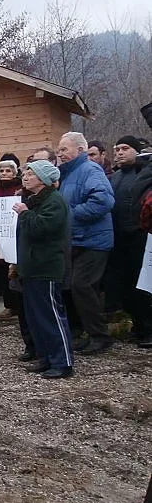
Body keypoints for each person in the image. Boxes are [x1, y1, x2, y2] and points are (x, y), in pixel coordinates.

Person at [12, 160, 74, 378]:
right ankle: (46, 357)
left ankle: (63, 361)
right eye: (26, 173)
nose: (25, 177)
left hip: (46, 268)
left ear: (43, 179)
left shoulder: (54, 202)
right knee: (36, 318)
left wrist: (24, 213)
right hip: (32, 268)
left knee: (51, 316)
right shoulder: (36, 201)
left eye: (31, 173)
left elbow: (42, 229)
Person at [56, 131, 115, 354]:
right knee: (76, 287)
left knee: (83, 285)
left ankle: (101, 336)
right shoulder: (68, 174)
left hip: (94, 241)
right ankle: (89, 333)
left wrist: (69, 215)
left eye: (64, 149)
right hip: (77, 239)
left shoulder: (90, 170)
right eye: (59, 150)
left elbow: (103, 201)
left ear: (80, 150)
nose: (60, 154)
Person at [109, 135, 152, 347]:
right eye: (117, 149)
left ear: (137, 150)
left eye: (125, 148)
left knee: (144, 286)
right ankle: (138, 325)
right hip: (119, 239)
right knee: (127, 286)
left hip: (141, 236)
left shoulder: (145, 173)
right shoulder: (115, 177)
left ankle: (149, 329)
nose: (119, 152)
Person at [0, 160, 31, 353]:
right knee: (2, 270)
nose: (5, 173)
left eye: (8, 170)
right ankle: (9, 304)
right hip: (0, 235)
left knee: (16, 271)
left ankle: (19, 305)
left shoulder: (21, 189)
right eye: (2, 170)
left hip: (18, 234)